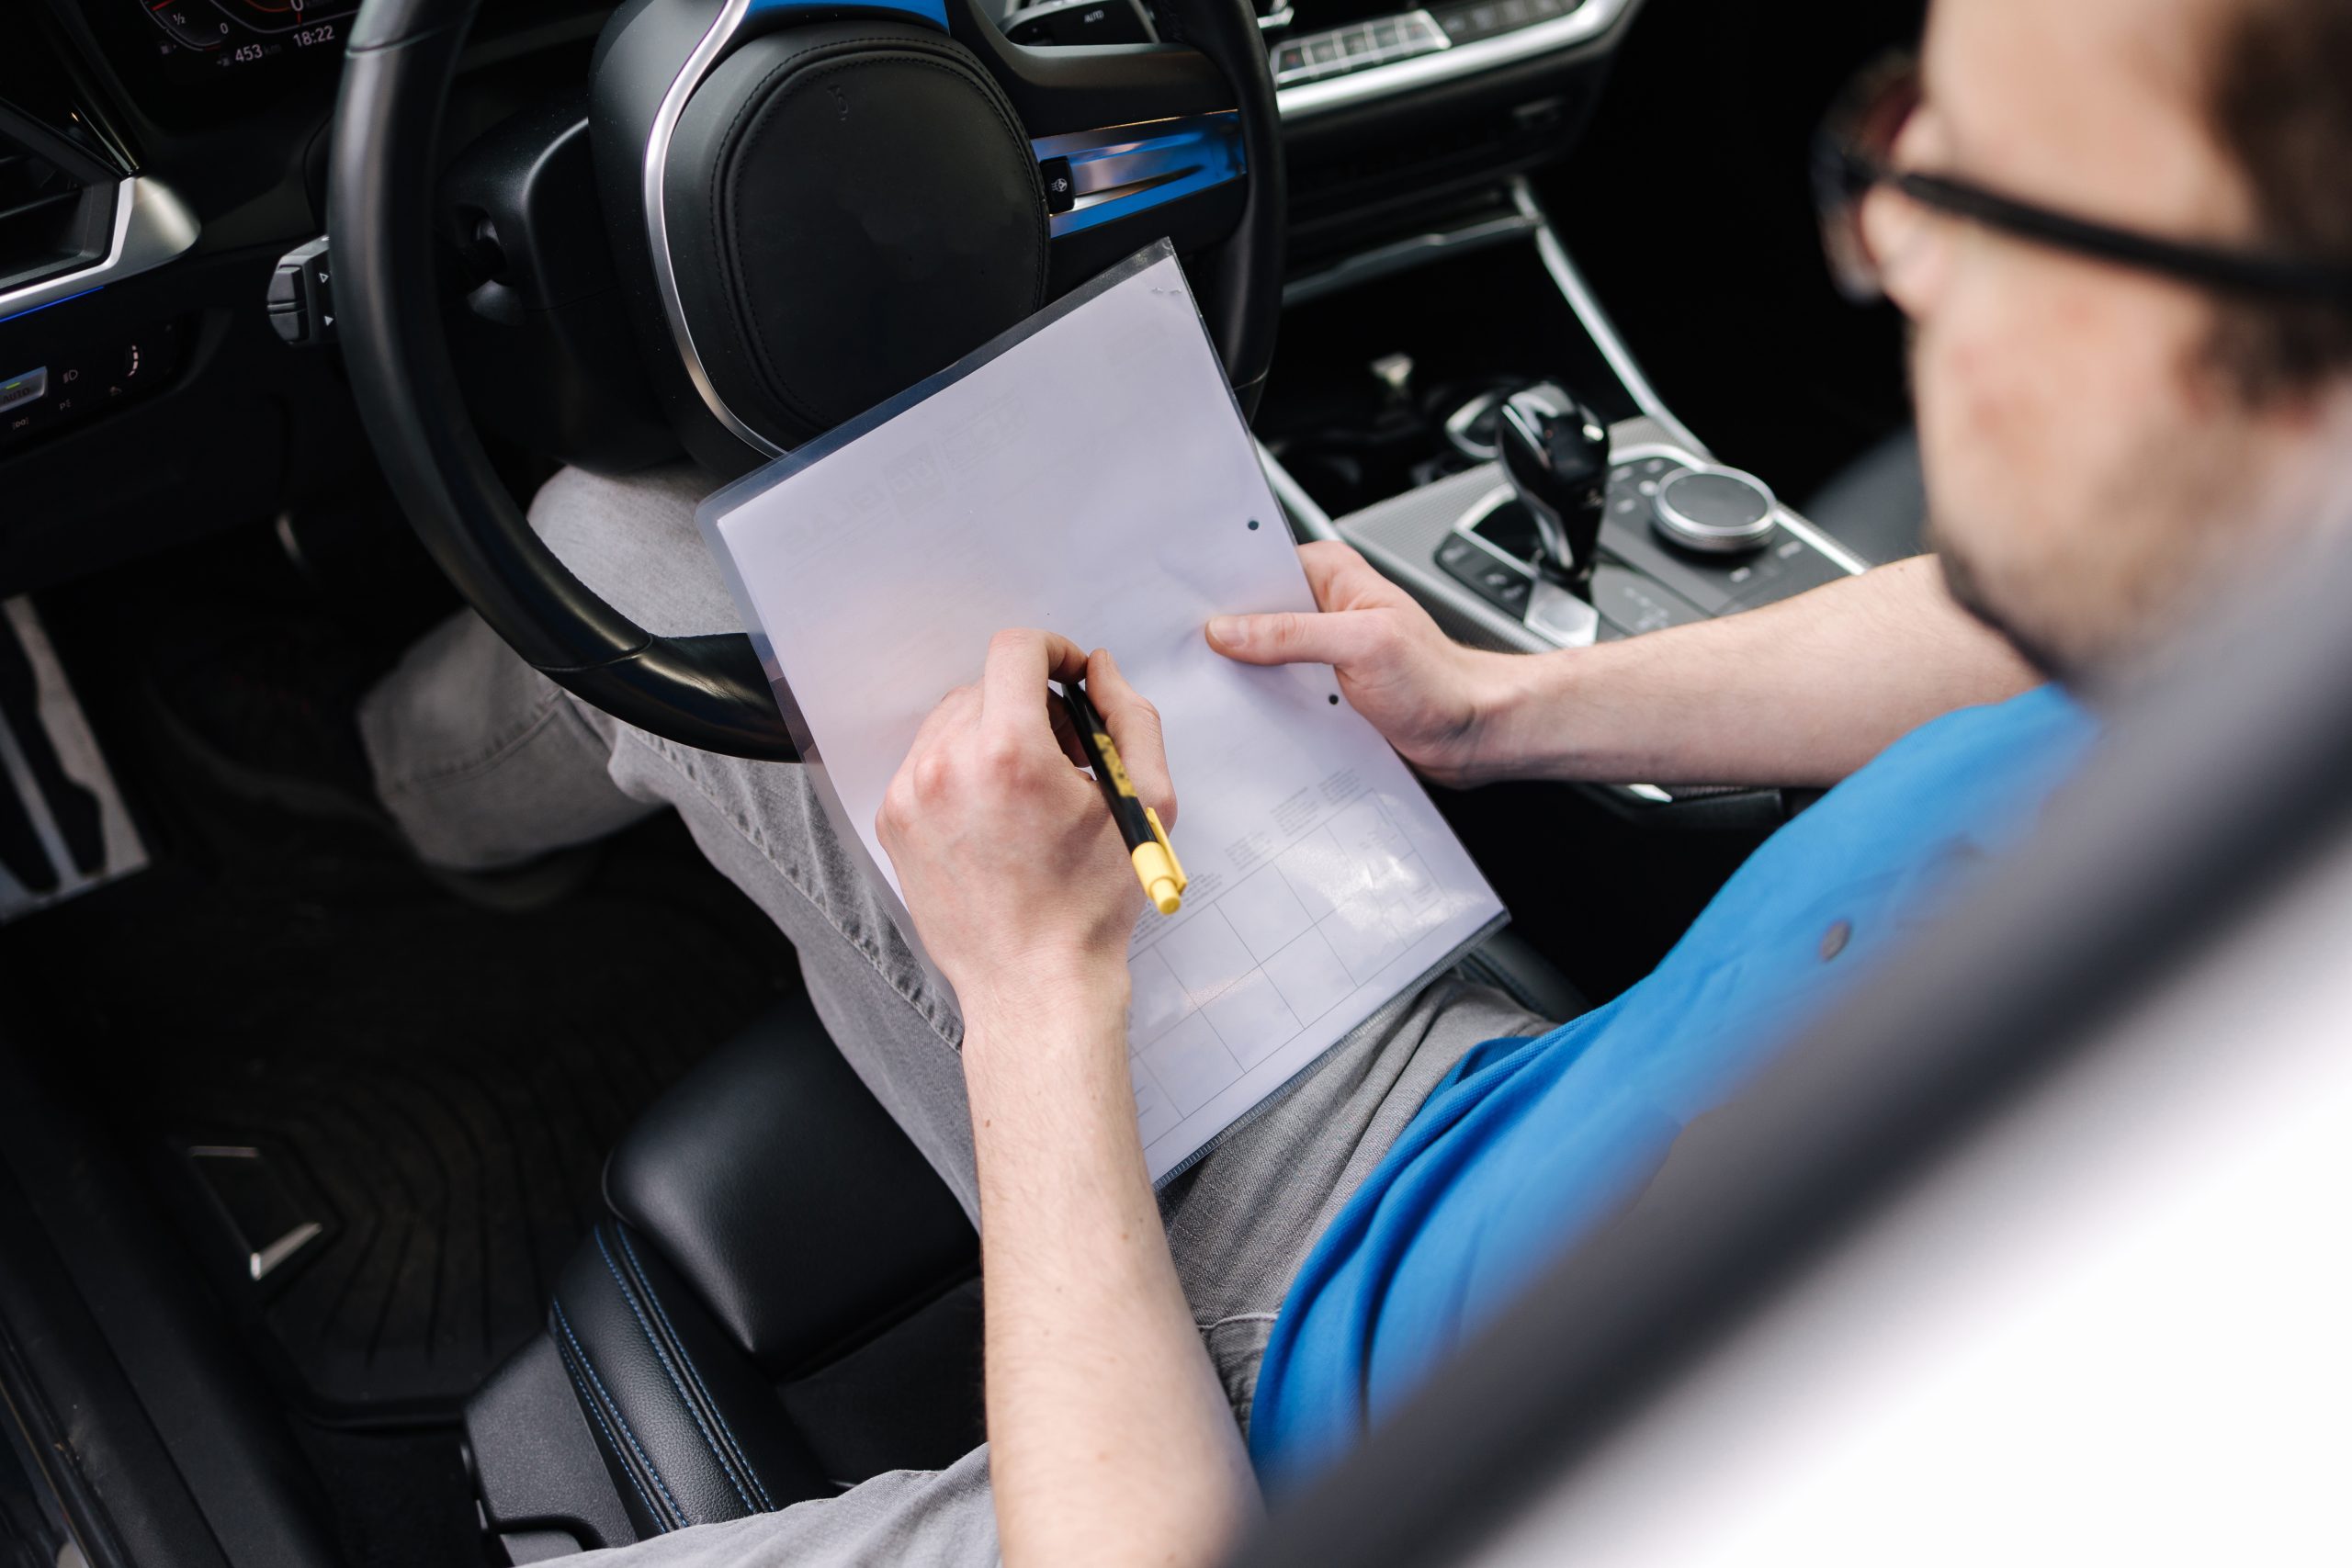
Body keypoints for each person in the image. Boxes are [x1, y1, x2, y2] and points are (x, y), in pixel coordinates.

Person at [353, 0, 2352, 1560]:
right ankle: (346, 807)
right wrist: (1494, 710)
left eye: (1980, 199)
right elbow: (2041, 612)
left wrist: (1036, 992)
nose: (1898, 253)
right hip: (1479, 1105)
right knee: (621, 552)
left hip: (1310, 1474)